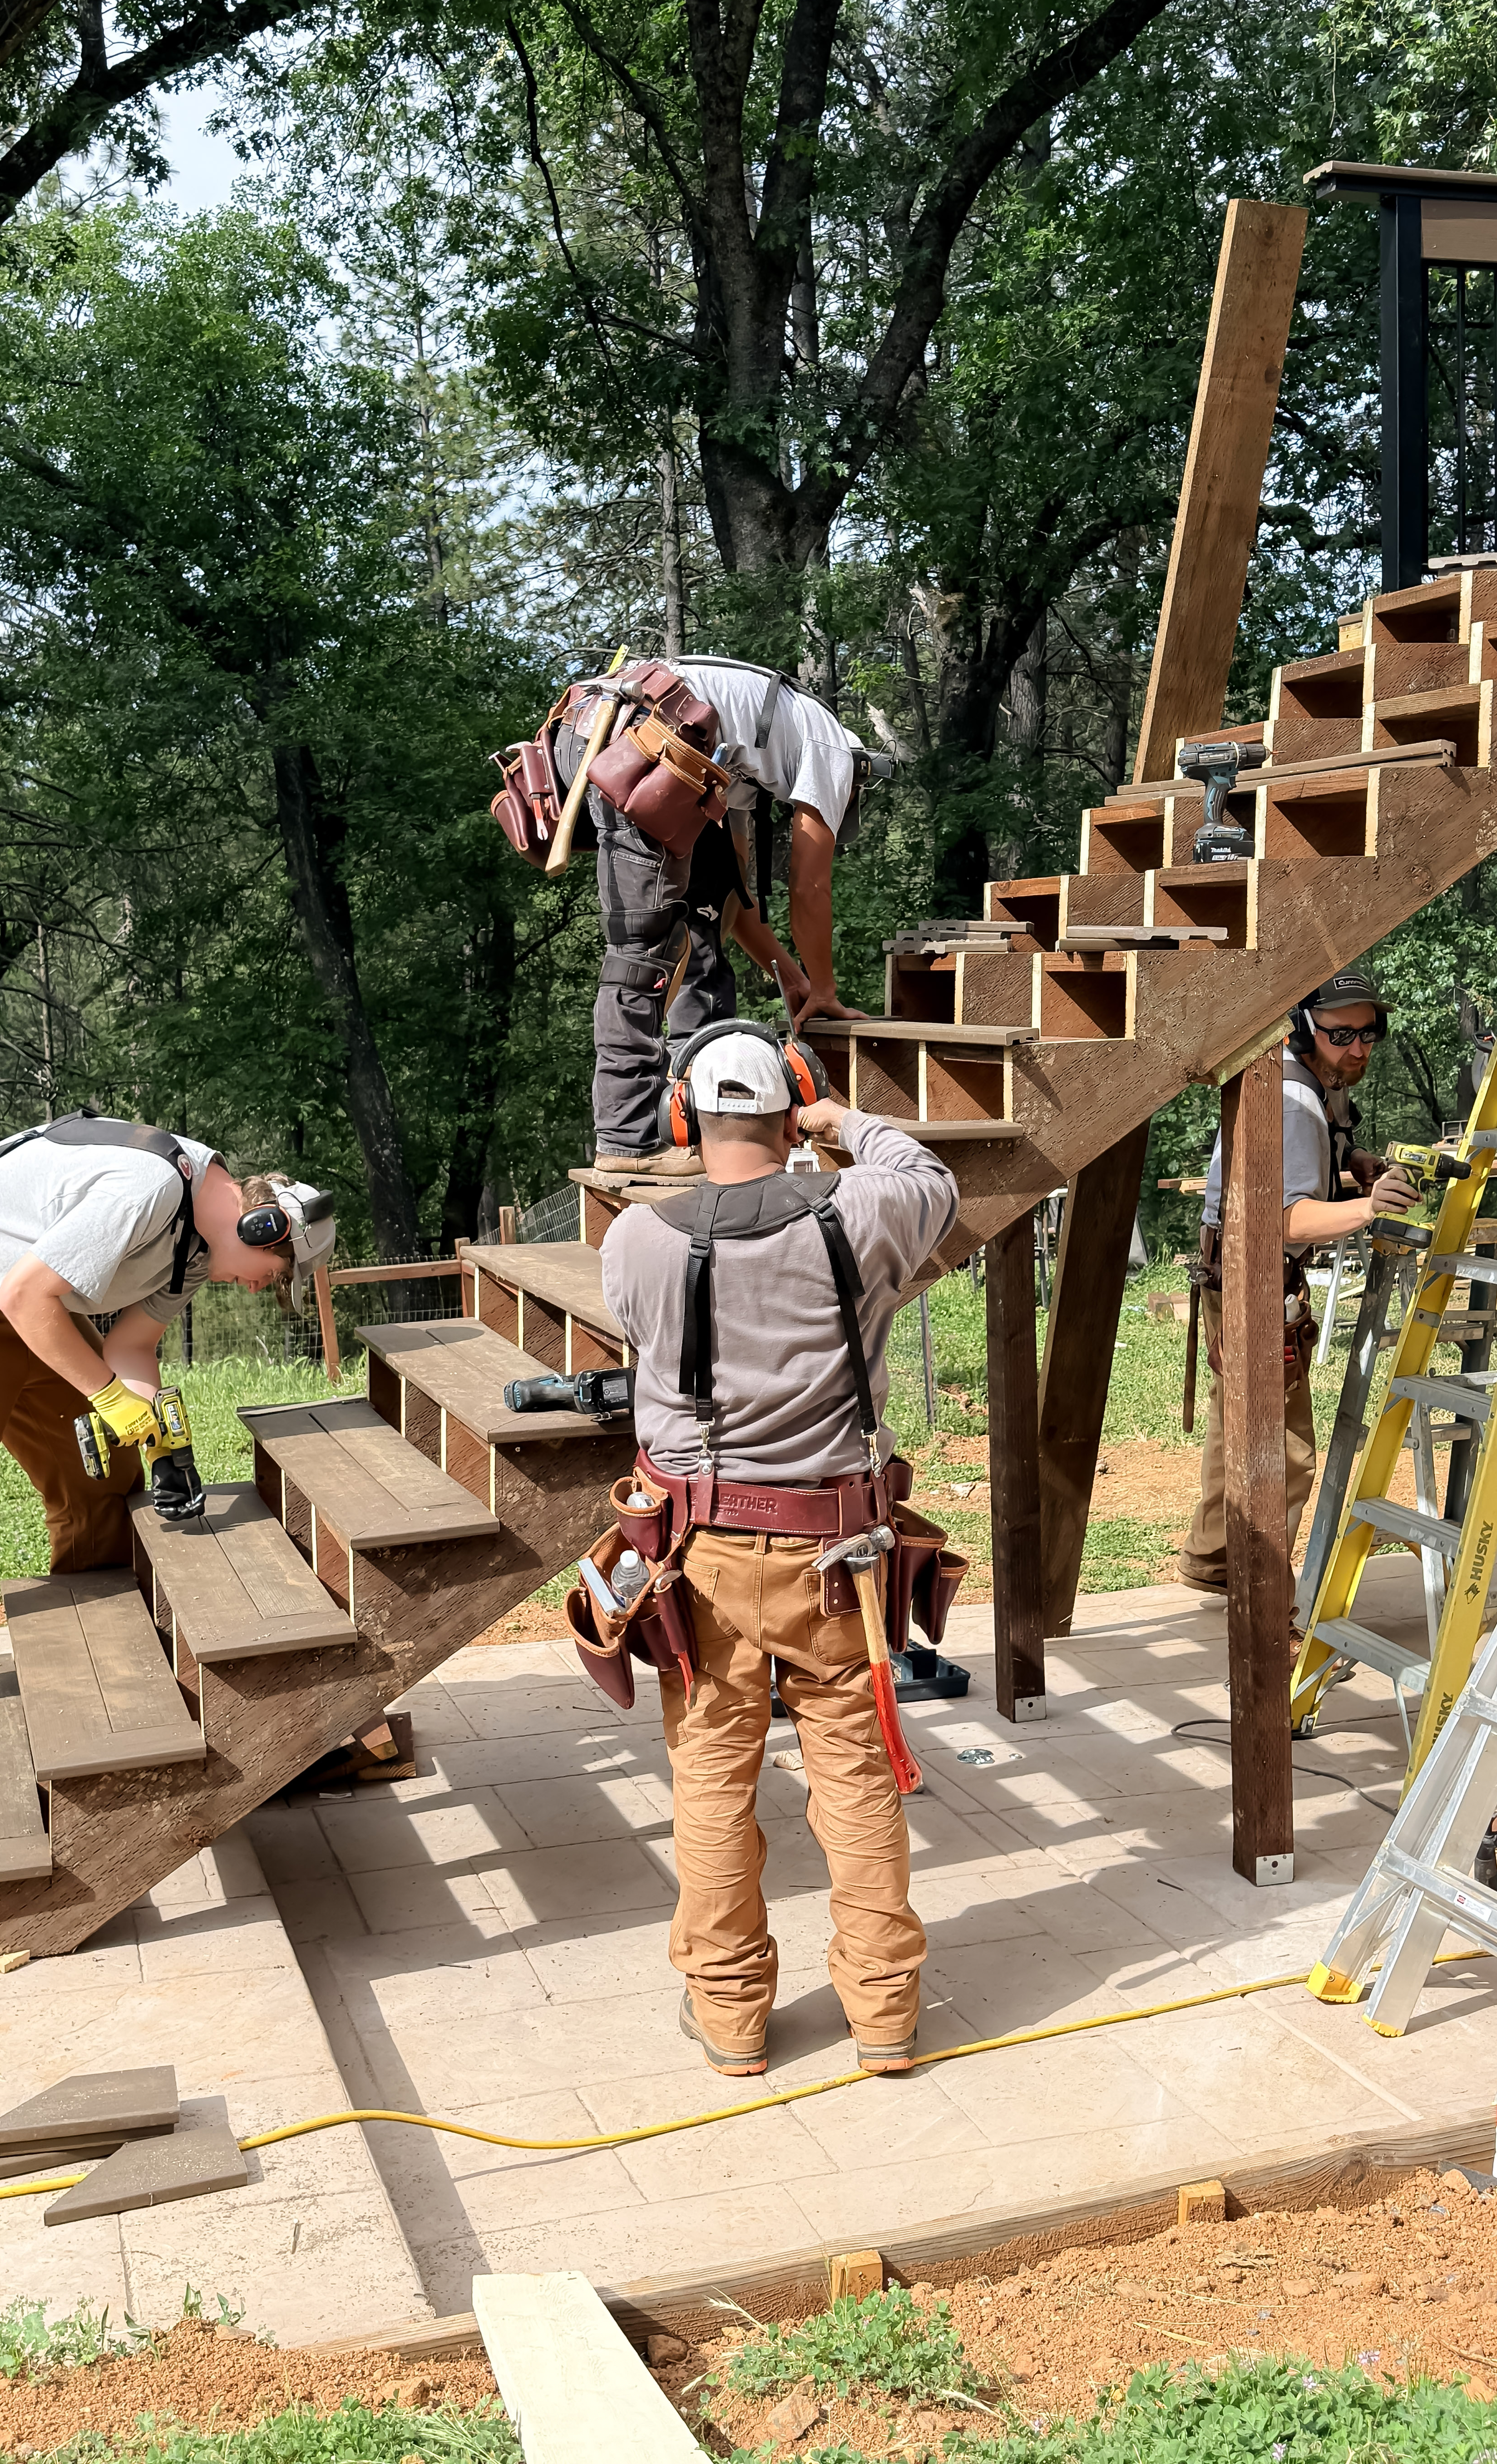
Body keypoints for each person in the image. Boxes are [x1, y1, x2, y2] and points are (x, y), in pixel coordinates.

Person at [598, 1027, 958, 2076]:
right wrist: (838, 1121)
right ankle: (885, 2016)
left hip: (698, 1557)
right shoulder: (870, 1210)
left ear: (683, 1117)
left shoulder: (641, 1242)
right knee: (854, 1777)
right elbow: (922, 1169)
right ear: (790, 1101)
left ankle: (730, 2019)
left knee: (712, 1777)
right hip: (838, 1555)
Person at [0, 1116, 335, 1846]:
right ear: (260, 1228)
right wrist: (110, 1398)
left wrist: (158, 1441)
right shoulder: (149, 1189)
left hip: (35, 1314)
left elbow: (130, 1347)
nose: (259, 1292)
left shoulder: (191, 1250)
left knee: (106, 1484)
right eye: (275, 1278)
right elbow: (26, 1298)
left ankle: (100, 1671)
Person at [557, 654, 872, 1178]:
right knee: (643, 949)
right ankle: (629, 1136)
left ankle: (698, 1120)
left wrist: (789, 976)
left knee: (698, 928)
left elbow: (734, 899)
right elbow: (810, 888)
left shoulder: (746, 762)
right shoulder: (833, 749)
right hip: (644, 735)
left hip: (595, 726)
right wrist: (824, 989)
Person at [1177, 969, 1418, 1598]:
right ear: (1305, 1026)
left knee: (1236, 1424)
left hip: (1236, 1271)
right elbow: (1285, 1219)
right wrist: (1371, 1208)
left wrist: (1353, 1164)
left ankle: (1214, 1561)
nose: (1359, 1048)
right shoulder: (1294, 1099)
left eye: (1370, 1034)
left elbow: (1304, 1173)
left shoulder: (1314, 1081)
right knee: (1283, 1452)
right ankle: (1261, 1595)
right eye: (1342, 1034)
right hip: (1252, 1278)